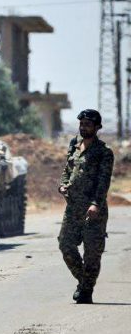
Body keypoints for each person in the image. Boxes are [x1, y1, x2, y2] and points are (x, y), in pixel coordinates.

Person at [58, 109, 114, 304]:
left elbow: (103, 181)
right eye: (81, 124)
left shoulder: (104, 152)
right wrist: (63, 185)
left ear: (97, 127)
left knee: (92, 254)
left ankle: (86, 291)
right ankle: (85, 283)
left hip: (93, 210)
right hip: (73, 208)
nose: (83, 127)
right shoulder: (74, 144)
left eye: (88, 125)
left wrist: (96, 204)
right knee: (65, 245)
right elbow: (67, 170)